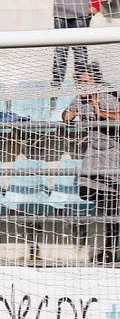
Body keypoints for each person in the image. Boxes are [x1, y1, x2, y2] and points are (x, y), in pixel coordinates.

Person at [61, 62, 120, 264]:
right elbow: (65, 115)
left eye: (85, 82)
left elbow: (119, 116)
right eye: (79, 83)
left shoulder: (108, 97)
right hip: (93, 153)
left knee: (113, 208)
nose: (81, 86)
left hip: (113, 153)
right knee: (85, 190)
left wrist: (102, 113)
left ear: (95, 82)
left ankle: (110, 249)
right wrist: (68, 116)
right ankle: (108, 204)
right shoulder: (80, 99)